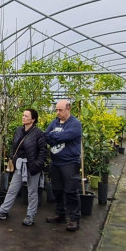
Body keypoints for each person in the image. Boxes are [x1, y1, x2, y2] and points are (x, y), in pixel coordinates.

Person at [0, 109, 48, 226]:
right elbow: (14, 147)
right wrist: (12, 158)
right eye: (23, 115)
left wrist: (37, 164)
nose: (23, 117)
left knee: (32, 192)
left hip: (32, 166)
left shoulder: (38, 133)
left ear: (33, 119)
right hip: (20, 165)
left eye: (26, 116)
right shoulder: (19, 130)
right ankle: (2, 211)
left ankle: (30, 215)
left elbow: (43, 151)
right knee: (12, 189)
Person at [44, 99, 82, 231]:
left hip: (69, 163)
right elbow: (46, 136)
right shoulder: (54, 122)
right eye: (56, 110)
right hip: (55, 162)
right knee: (57, 189)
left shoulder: (75, 124)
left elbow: (64, 136)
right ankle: (60, 214)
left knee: (71, 191)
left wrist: (54, 136)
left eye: (60, 110)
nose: (58, 112)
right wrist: (55, 136)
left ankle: (74, 219)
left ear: (68, 109)